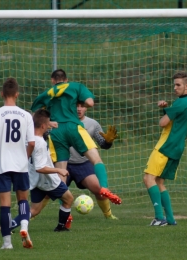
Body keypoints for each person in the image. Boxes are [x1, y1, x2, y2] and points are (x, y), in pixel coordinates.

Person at [30, 69, 121, 205]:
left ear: (52, 81)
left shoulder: (45, 94)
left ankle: (66, 211)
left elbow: (35, 115)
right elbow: (90, 103)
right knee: (96, 160)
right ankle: (104, 188)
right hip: (74, 127)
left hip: (56, 131)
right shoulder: (76, 86)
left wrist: (48, 122)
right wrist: (75, 102)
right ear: (66, 80)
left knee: (61, 171)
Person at [143, 71, 187, 226]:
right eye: (174, 85)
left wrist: (165, 112)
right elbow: (176, 119)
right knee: (159, 182)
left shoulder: (180, 103)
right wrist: (167, 108)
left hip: (165, 146)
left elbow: (163, 123)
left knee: (148, 178)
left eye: (178, 85)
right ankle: (171, 219)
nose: (175, 88)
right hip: (177, 147)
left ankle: (159, 218)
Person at [11, 109, 74, 232]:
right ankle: (61, 227)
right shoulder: (39, 143)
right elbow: (40, 168)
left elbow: (37, 121)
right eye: (47, 124)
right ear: (43, 125)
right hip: (47, 180)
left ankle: (9, 225)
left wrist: (49, 123)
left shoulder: (28, 138)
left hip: (34, 179)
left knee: (34, 210)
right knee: (69, 199)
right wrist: (59, 170)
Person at [0, 78, 35, 249]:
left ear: (2, 94)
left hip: (1, 165)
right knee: (23, 200)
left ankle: (7, 243)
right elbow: (31, 143)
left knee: (5, 204)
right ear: (17, 94)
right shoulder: (26, 115)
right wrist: (24, 158)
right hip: (20, 165)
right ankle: (24, 227)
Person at [66, 102, 118, 221]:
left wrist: (108, 142)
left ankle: (108, 215)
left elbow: (103, 144)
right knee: (51, 191)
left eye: (82, 106)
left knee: (98, 189)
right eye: (76, 106)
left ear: (86, 107)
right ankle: (32, 215)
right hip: (64, 163)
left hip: (84, 164)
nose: (79, 109)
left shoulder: (93, 124)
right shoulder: (63, 122)